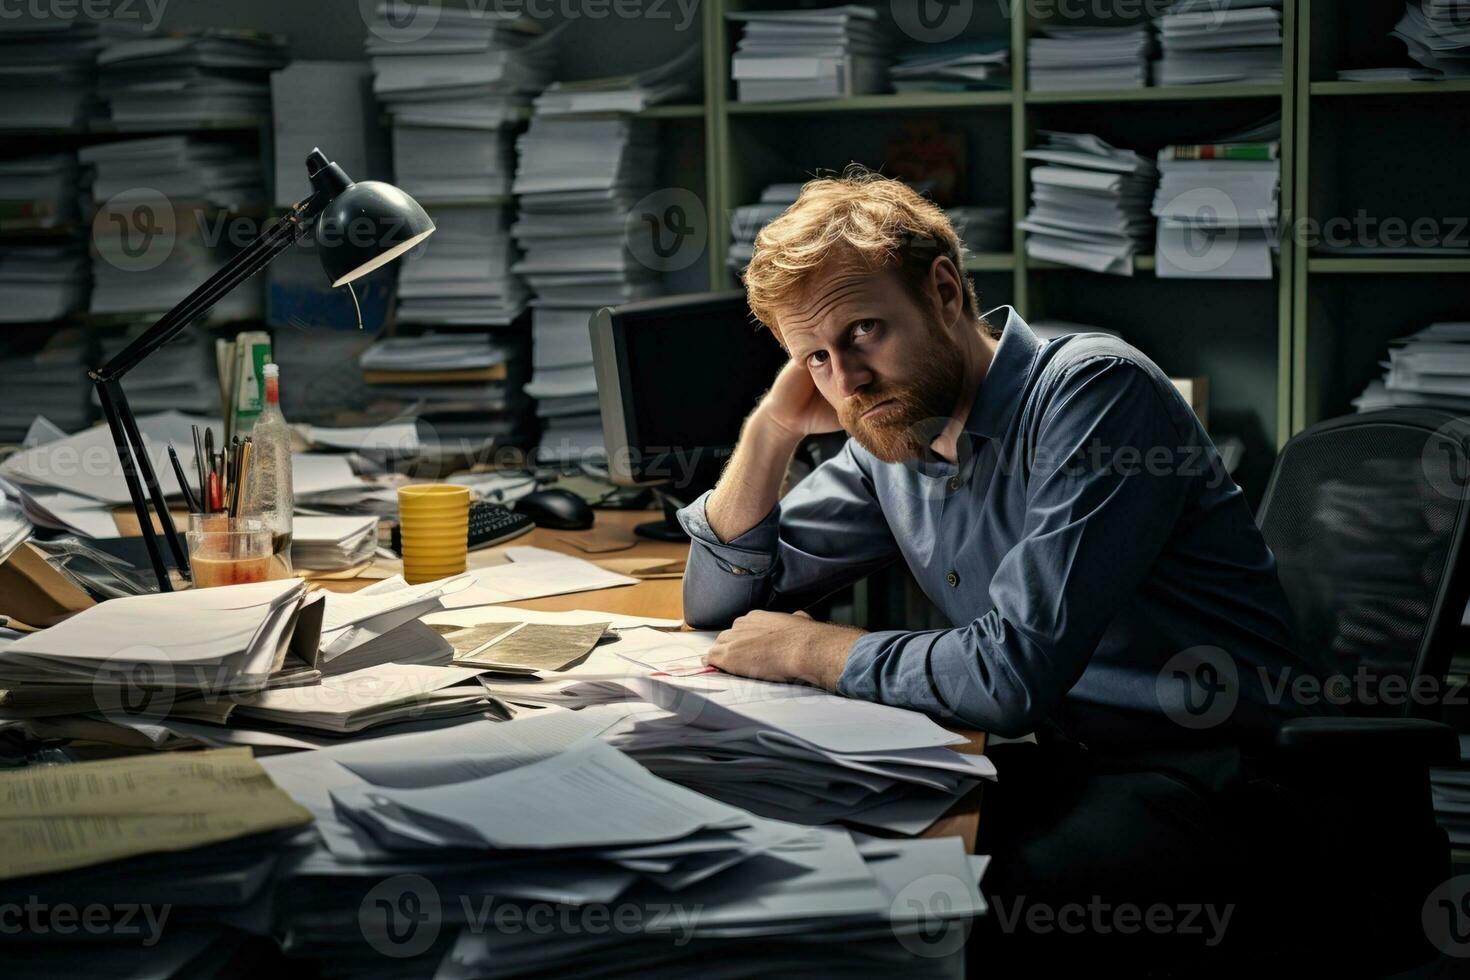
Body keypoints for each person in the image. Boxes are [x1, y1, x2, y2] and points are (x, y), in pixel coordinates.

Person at [676, 169, 1338, 968]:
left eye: (862, 332)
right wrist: (775, 426)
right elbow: (716, 604)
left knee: (960, 906)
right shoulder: (893, 433)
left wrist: (810, 648)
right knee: (809, 857)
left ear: (945, 292)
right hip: (1068, 758)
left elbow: (1010, 673)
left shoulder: (1094, 394)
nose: (845, 380)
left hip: (1219, 780)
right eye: (814, 357)